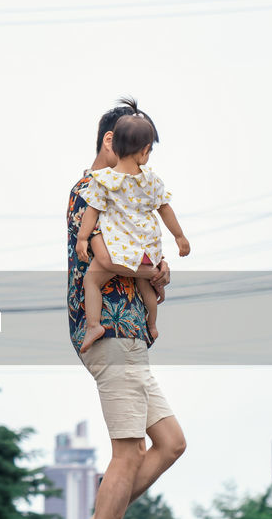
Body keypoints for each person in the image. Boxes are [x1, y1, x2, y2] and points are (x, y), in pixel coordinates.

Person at [66, 100, 187, 519]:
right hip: (110, 331)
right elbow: (104, 256)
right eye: (136, 147)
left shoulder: (135, 192)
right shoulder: (88, 190)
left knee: (170, 442)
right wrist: (148, 271)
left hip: (132, 333)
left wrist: (158, 266)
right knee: (128, 450)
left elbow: (145, 242)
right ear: (110, 142)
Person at [76, 100, 190, 351]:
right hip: (116, 330)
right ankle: (152, 324)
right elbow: (164, 208)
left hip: (127, 326)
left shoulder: (104, 182)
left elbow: (95, 215)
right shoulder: (146, 181)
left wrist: (83, 238)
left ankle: (101, 324)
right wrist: (174, 243)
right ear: (145, 150)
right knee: (142, 283)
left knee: (92, 281)